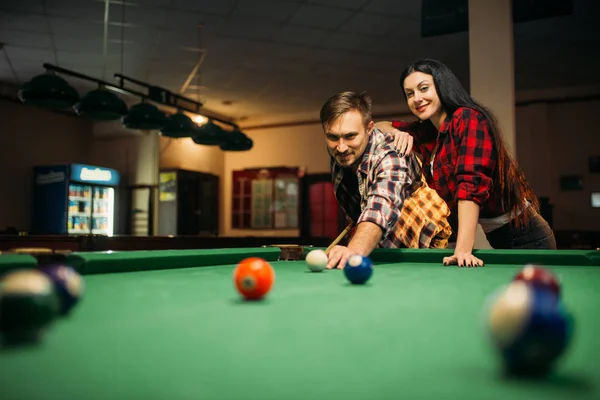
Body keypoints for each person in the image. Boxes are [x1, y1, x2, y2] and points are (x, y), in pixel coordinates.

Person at [375, 58, 556, 268]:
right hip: (498, 236)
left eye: (424, 88)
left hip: (528, 237)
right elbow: (378, 126)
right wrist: (398, 133)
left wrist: (462, 249)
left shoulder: (468, 118)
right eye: (410, 94)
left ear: (442, 86)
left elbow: (470, 186)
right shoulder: (427, 133)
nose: (417, 98)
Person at [320, 91, 452, 269]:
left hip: (420, 240)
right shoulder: (342, 153)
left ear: (369, 129)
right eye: (333, 137)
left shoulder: (391, 155)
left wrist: (354, 250)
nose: (342, 147)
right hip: (378, 239)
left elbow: (380, 206)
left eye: (350, 136)